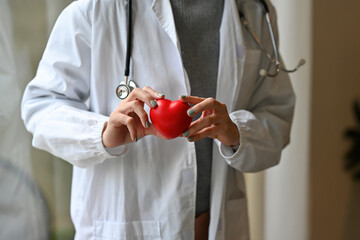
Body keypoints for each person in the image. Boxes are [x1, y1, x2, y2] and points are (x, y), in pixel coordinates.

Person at [21, 0, 295, 239]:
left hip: (219, 223)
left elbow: (276, 113)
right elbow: (41, 107)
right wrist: (103, 132)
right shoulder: (95, 9)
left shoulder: (252, 9)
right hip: (127, 225)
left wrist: (237, 132)